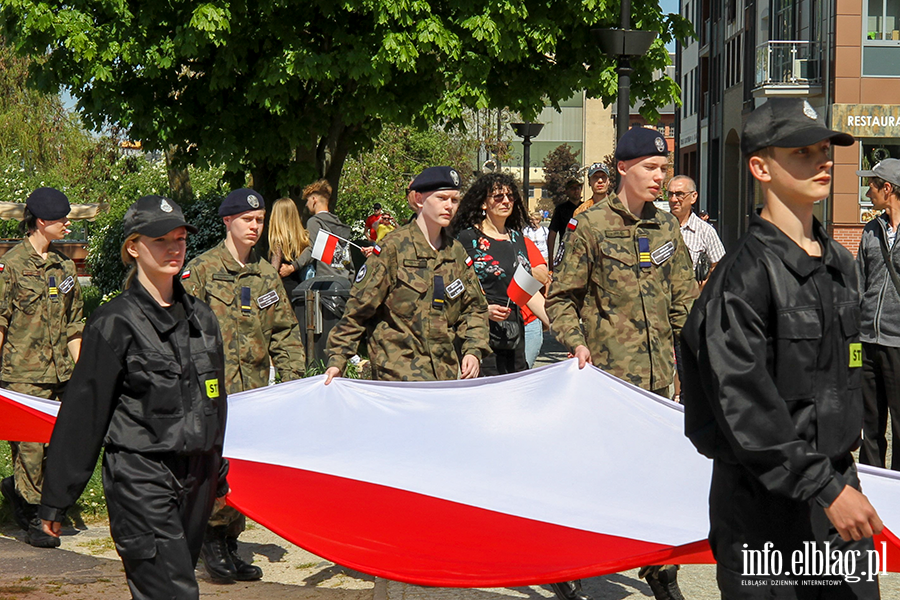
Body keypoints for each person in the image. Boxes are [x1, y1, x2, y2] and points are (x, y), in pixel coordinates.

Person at [681, 98, 882, 598]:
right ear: (760, 167)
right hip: (762, 513)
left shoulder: (841, 264)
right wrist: (826, 488)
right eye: (801, 152)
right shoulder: (741, 277)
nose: (822, 161)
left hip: (834, 502)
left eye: (824, 149)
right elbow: (743, 407)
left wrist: (838, 486)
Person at [38, 195, 228, 599]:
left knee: (167, 587)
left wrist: (217, 464)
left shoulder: (203, 319)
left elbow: (214, 401)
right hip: (141, 476)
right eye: (161, 240)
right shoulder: (114, 323)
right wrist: (57, 498)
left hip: (198, 477)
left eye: (179, 238)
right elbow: (84, 413)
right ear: (133, 247)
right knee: (173, 592)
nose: (174, 248)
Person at [545, 127, 697, 600]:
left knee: (654, 476)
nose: (659, 177)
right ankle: (566, 559)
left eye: (664, 168)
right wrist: (575, 344)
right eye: (651, 168)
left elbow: (683, 300)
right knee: (594, 474)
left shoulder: (666, 228)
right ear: (624, 169)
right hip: (607, 381)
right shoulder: (590, 226)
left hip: (656, 382)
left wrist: (694, 361)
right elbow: (561, 298)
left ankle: (657, 567)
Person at [183, 188, 306, 583]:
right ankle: (211, 539)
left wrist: (292, 383)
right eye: (247, 221)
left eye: (259, 221)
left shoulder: (266, 274)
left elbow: (284, 332)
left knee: (242, 466)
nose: (255, 227)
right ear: (227, 222)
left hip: (252, 391)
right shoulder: (201, 270)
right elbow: (180, 331)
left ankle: (230, 538)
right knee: (213, 464)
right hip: (211, 392)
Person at [324, 166, 490, 383]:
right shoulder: (393, 249)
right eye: (441, 198)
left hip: (444, 377)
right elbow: (357, 311)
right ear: (419, 200)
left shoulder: (456, 252)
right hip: (397, 379)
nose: (449, 206)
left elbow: (475, 308)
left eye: (454, 200)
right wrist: (337, 361)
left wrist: (473, 350)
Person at [0, 187, 83, 548]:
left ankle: (20, 492)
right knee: (31, 448)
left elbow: (74, 322)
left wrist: (82, 373)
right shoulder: (12, 266)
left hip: (60, 373)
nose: (67, 223)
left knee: (59, 446)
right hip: (22, 372)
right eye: (62, 219)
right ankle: (36, 515)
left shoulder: (64, 266)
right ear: (41, 221)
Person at [453, 172, 549, 376]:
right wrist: (483, 310)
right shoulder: (465, 239)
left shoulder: (517, 239)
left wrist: (566, 333)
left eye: (510, 196)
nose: (506, 201)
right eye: (498, 196)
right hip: (478, 340)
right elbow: (451, 290)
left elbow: (528, 291)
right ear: (483, 203)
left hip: (513, 339)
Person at [855, 158, 900, 471]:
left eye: (871, 184)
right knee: (869, 425)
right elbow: (859, 284)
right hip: (866, 342)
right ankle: (872, 486)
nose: (866, 190)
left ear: (888, 188)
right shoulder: (871, 230)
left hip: (898, 343)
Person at [666, 175, 725, 288]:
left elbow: (719, 266)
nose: (673, 199)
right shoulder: (658, 227)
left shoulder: (705, 231)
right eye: (670, 194)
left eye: (679, 194)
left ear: (693, 197)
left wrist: (701, 289)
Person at [294, 180, 354, 278]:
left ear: (314, 199)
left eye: (308, 200)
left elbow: (311, 249)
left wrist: (293, 266)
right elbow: (347, 258)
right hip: (343, 281)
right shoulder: (338, 224)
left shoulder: (315, 222)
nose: (306, 205)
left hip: (325, 282)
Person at [268, 197, 311, 298]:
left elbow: (273, 271)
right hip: (301, 290)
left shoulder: (278, 242)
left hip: (284, 293)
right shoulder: (303, 239)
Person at [547, 178, 582, 268]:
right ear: (567, 191)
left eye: (578, 188)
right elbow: (552, 234)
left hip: (584, 254)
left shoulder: (586, 208)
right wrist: (551, 262)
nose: (576, 191)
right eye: (572, 188)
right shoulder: (561, 209)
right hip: (567, 253)